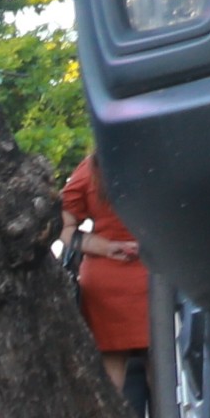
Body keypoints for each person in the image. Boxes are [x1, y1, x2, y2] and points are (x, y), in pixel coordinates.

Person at [57, 152, 152, 404]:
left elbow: (62, 225)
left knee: (112, 378)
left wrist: (107, 247)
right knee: (165, 372)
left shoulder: (93, 167)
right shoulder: (160, 160)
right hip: (155, 278)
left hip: (104, 284)